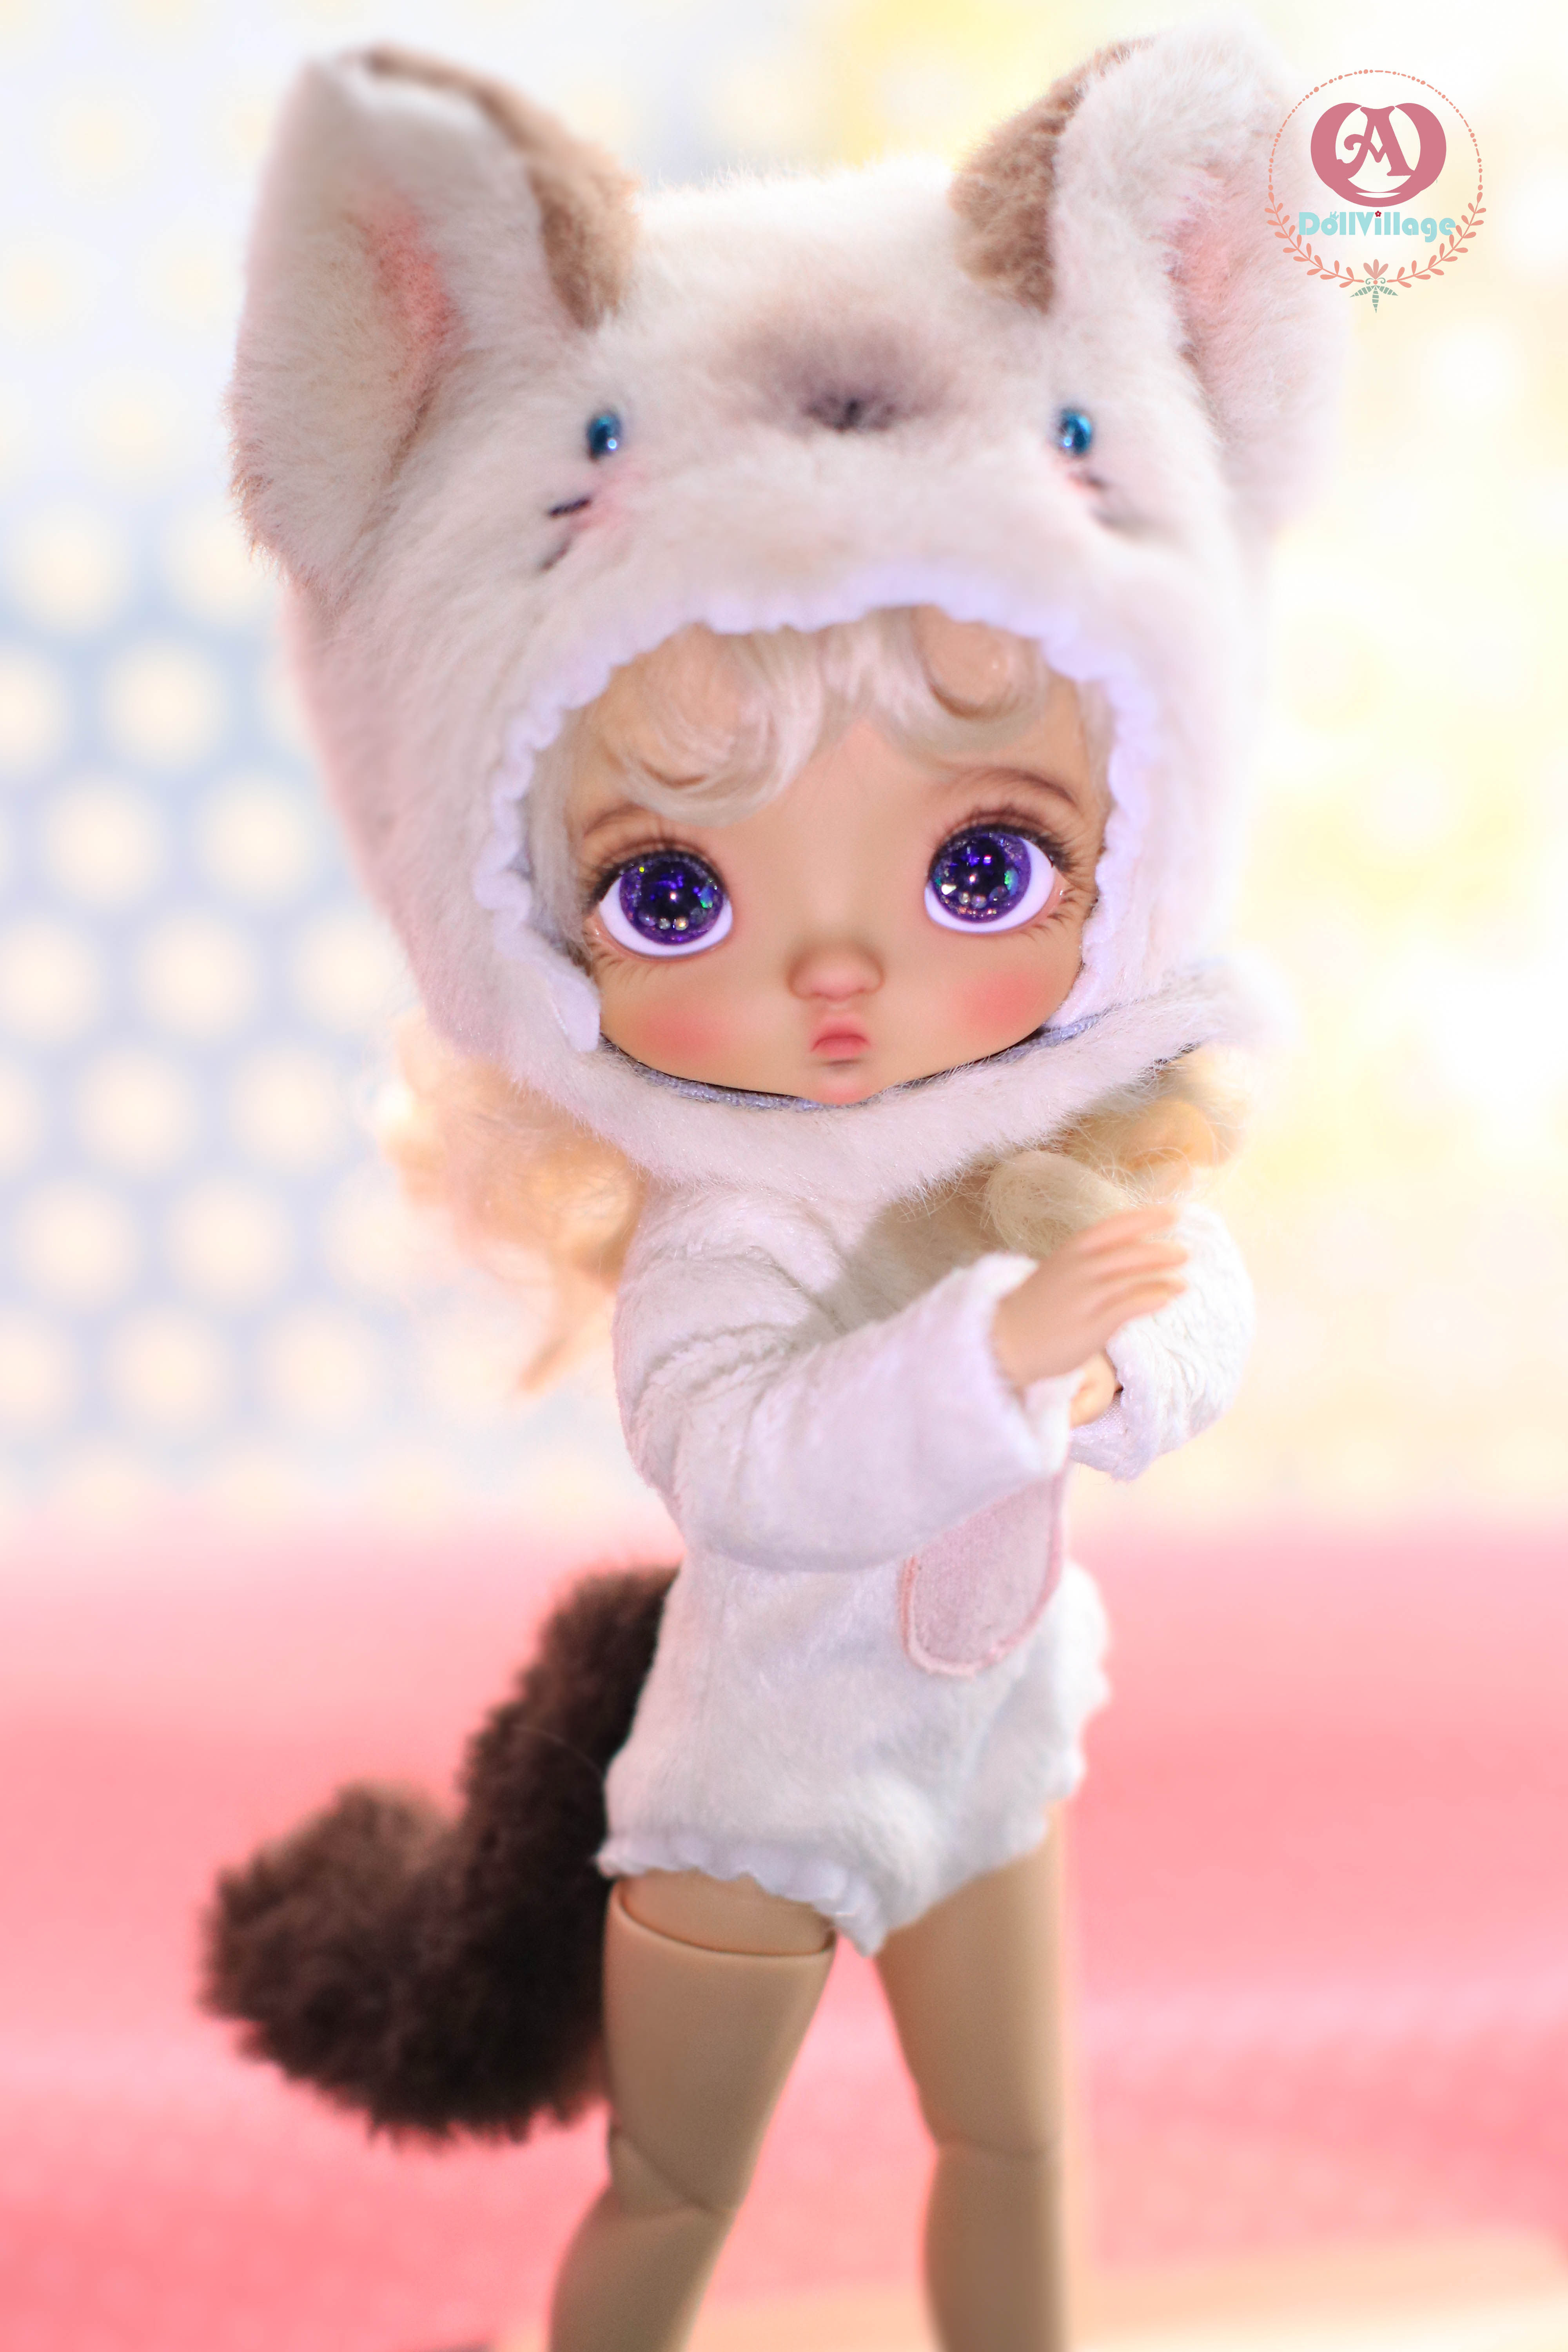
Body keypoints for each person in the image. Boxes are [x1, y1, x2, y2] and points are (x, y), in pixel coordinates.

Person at [205, 27, 1341, 2351]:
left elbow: (1182, 1323)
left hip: (983, 1751)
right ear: (524, 928)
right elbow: (746, 1464)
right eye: (675, 894)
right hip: (757, 1795)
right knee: (674, 2186)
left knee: (1017, 2143)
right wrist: (1007, 1349)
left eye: (982, 864)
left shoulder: (1036, 1153)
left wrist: (1136, 1340)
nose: (840, 975)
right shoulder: (732, 1235)